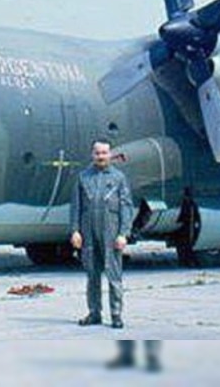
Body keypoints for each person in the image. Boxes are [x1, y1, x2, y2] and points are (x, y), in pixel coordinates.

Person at [70, 139, 133, 329]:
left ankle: (116, 315)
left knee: (114, 276)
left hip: (111, 234)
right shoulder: (83, 177)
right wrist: (74, 231)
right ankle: (94, 313)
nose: (101, 156)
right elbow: (76, 207)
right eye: (97, 153)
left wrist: (124, 234)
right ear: (92, 154)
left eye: (104, 153)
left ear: (110, 154)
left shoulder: (119, 178)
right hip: (88, 234)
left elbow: (126, 207)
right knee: (92, 276)